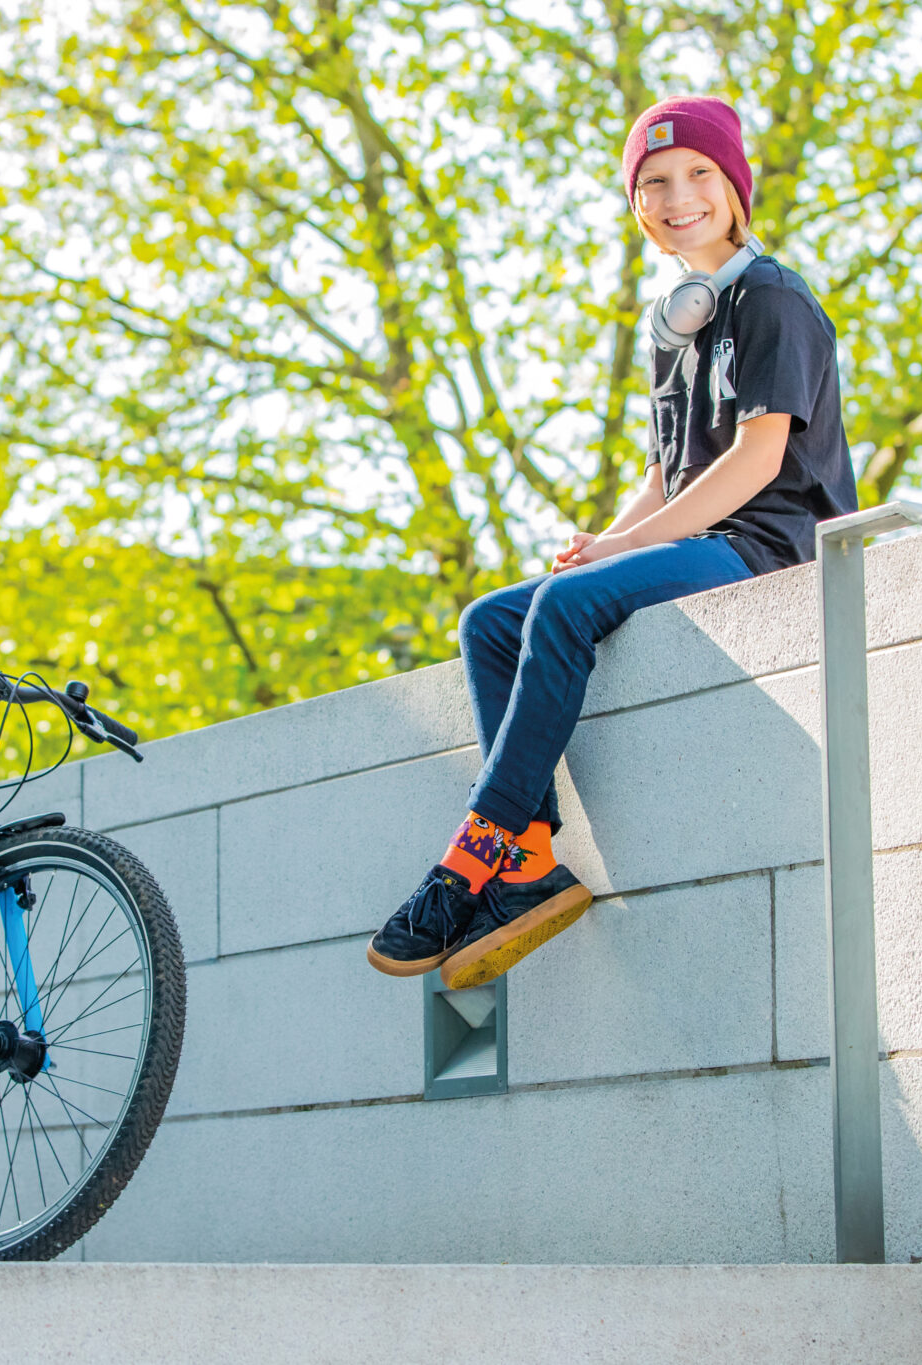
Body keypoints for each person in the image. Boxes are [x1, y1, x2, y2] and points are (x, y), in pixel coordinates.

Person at [366, 94, 859, 989]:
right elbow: (672, 473)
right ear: (637, 206)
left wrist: (626, 552)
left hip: (770, 547)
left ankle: (471, 856)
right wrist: (611, 540)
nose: (679, 198)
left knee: (563, 607)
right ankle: (530, 865)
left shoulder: (774, 299)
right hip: (700, 538)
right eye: (654, 183)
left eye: (699, 175)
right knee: (489, 621)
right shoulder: (672, 319)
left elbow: (754, 463)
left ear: (735, 186)